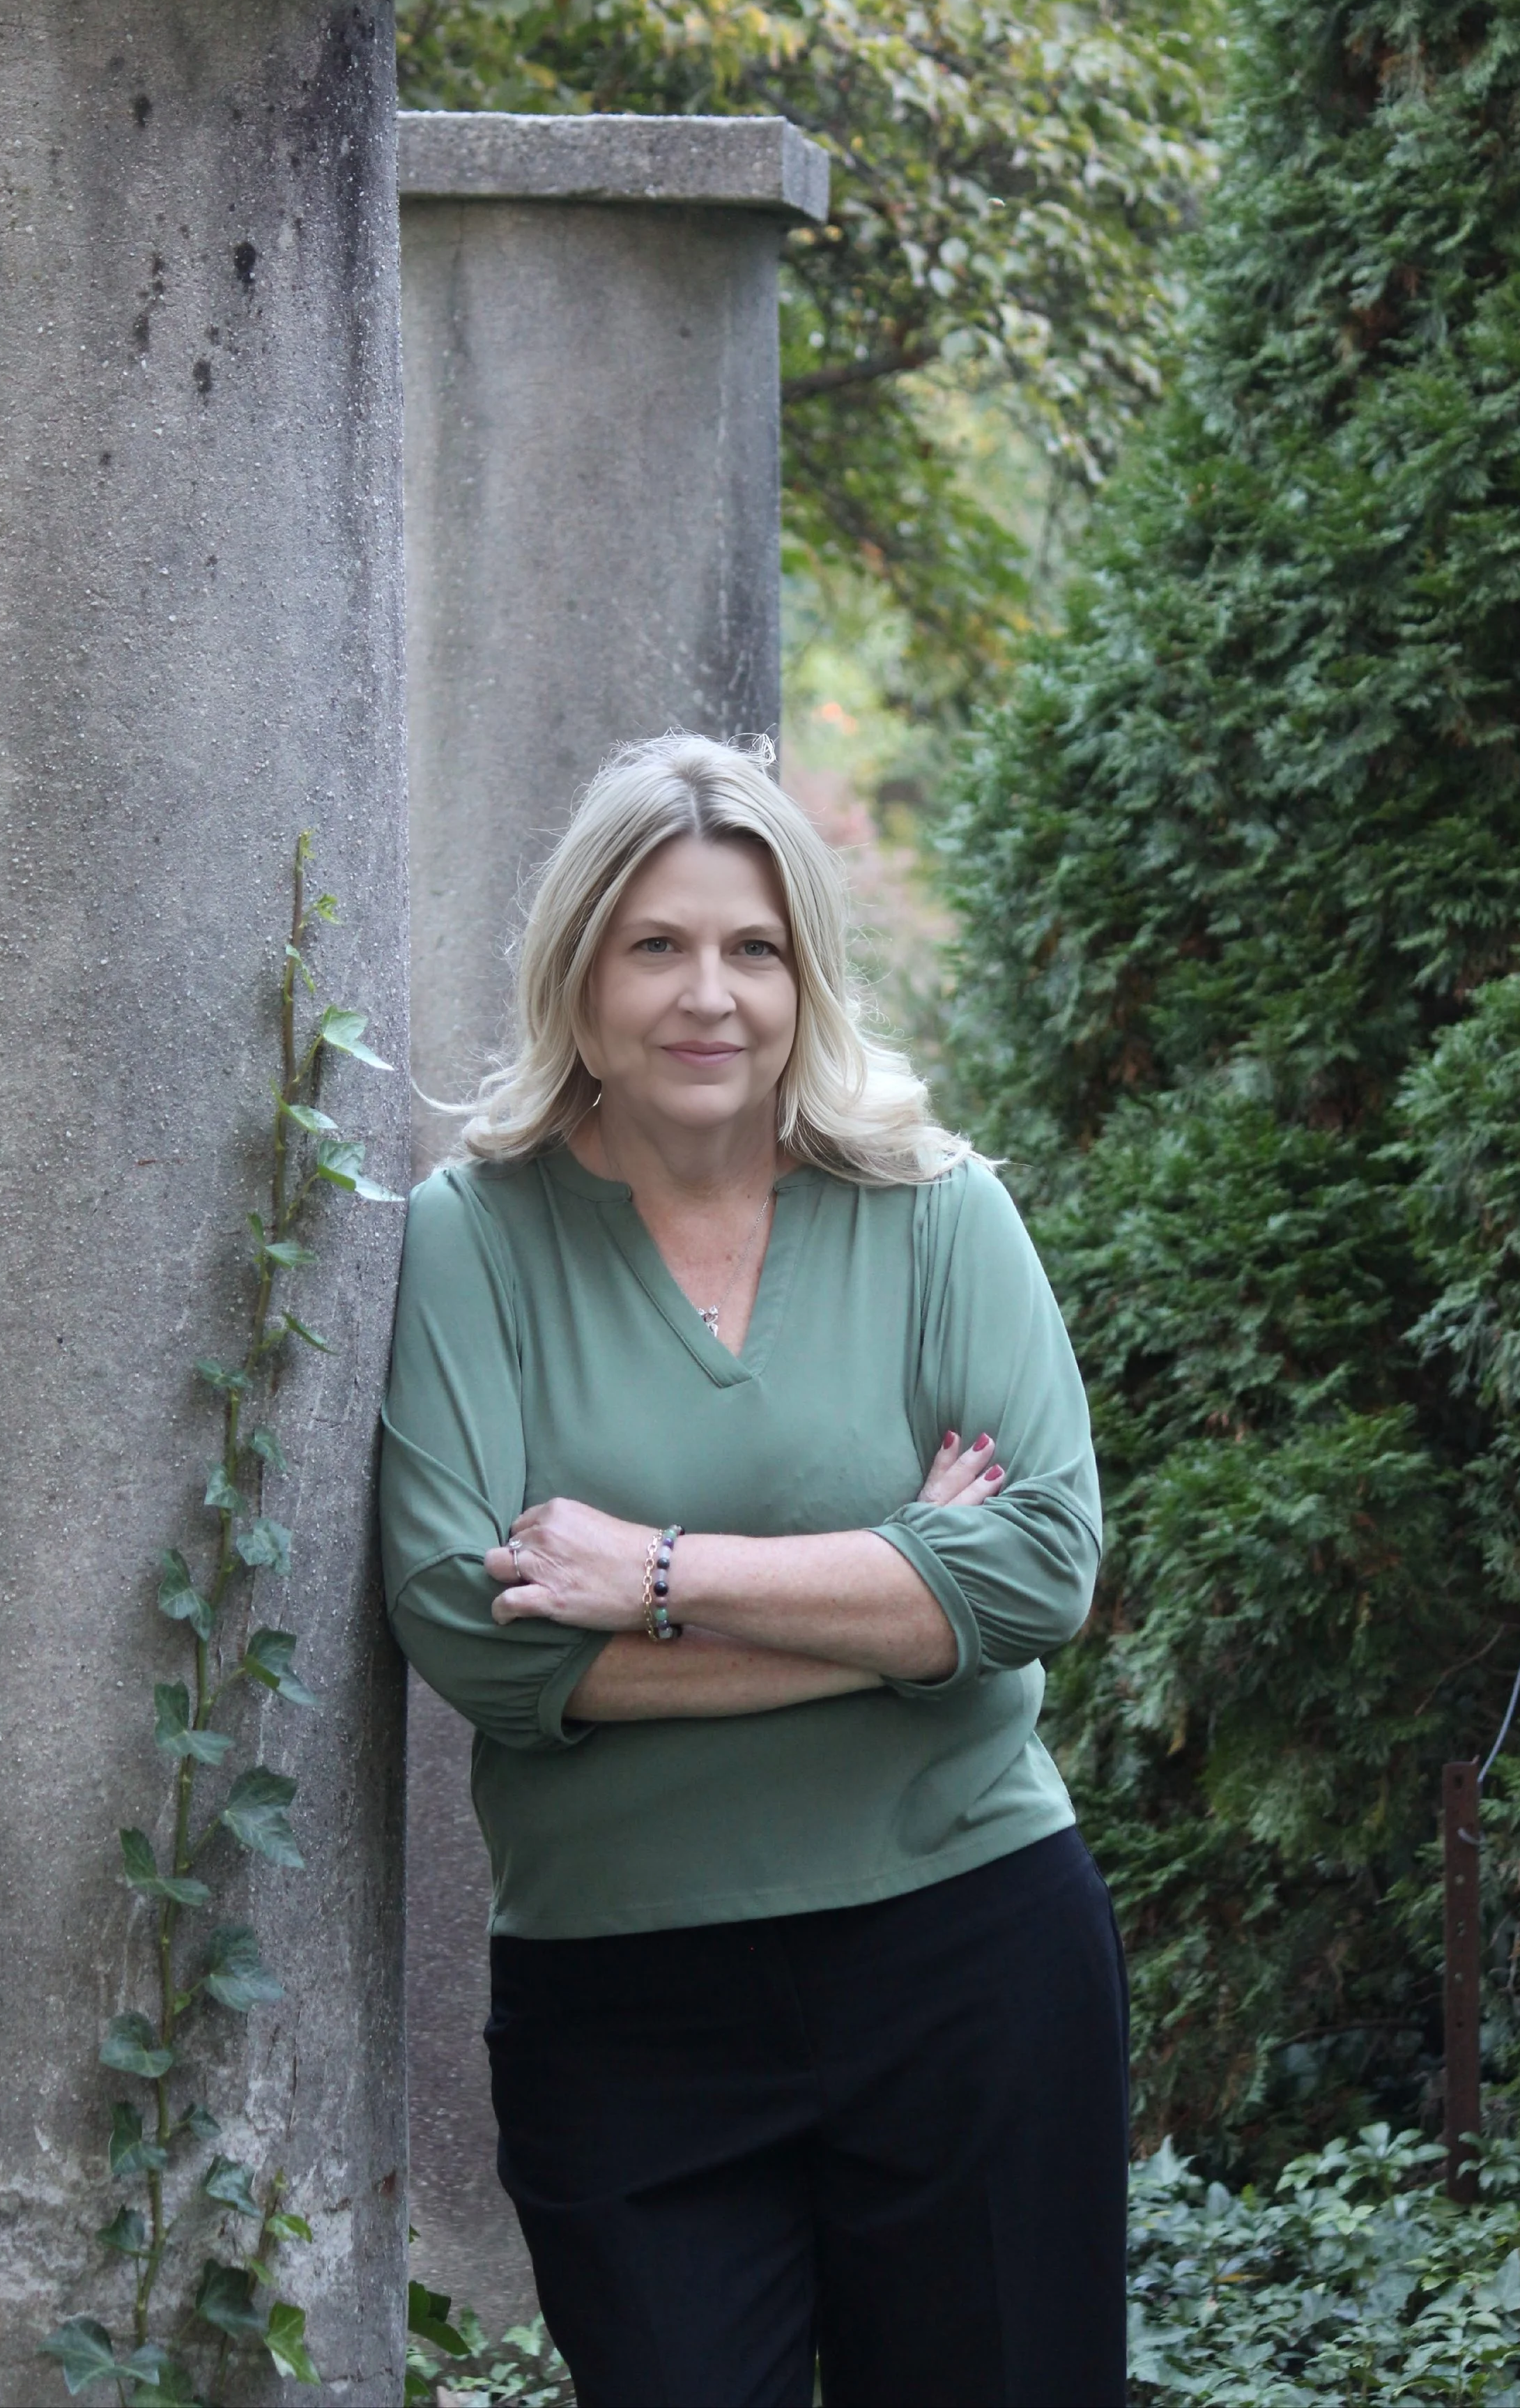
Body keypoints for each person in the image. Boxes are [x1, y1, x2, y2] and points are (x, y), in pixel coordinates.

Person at [380, 732, 1128, 2408]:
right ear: (579, 973)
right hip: (623, 2005)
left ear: (804, 976)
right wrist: (899, 1605)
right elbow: (473, 1634)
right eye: (656, 946)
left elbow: (1037, 1574)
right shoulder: (473, 1235)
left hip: (971, 1964)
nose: (705, 995)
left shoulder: (936, 1210)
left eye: (751, 948)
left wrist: (651, 1572)